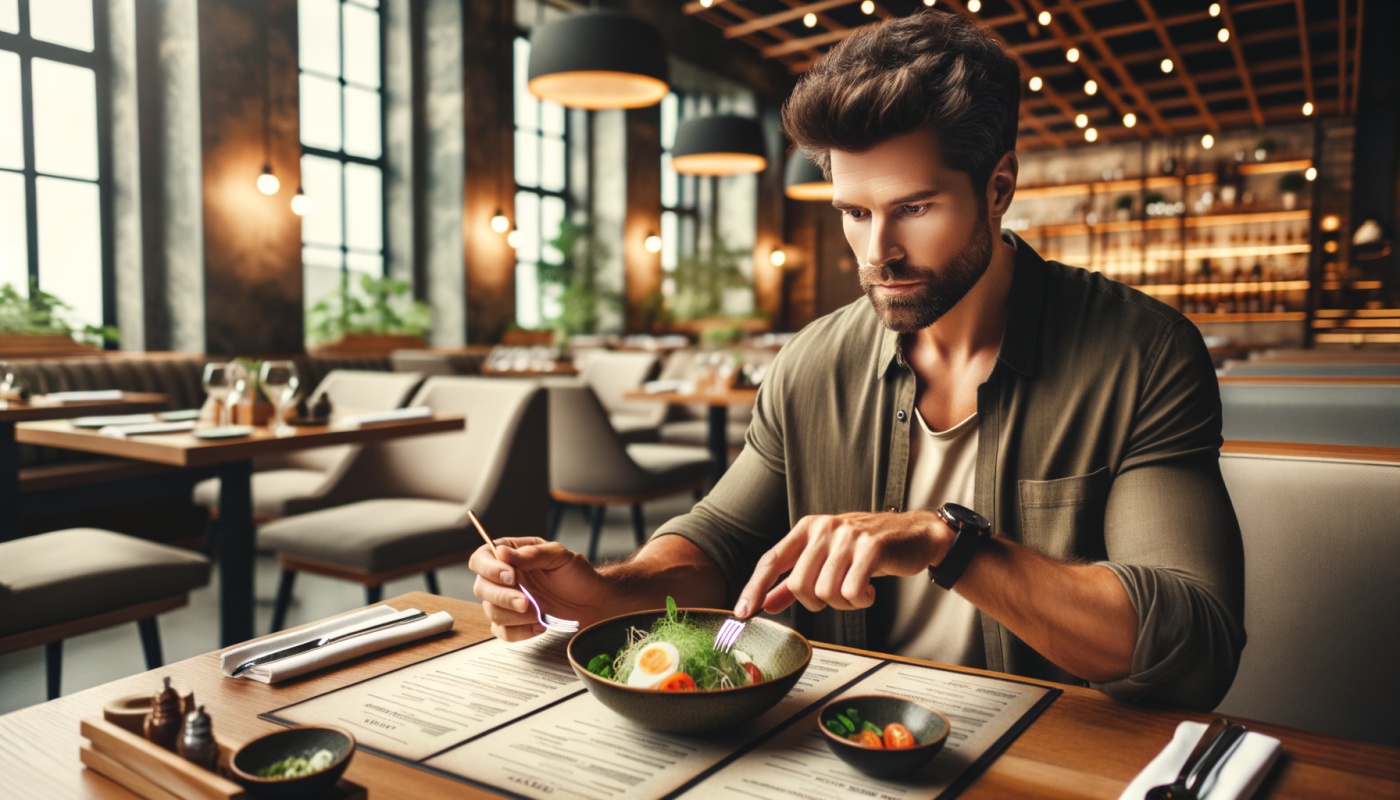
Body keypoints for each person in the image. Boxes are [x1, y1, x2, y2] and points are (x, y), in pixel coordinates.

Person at [470, 11, 1245, 711]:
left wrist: (953, 545)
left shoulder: (1143, 354)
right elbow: (719, 542)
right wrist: (606, 590)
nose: (879, 254)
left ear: (998, 186)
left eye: (914, 207)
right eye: (855, 212)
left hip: (1052, 754)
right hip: (840, 747)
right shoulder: (811, 362)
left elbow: (1195, 647)